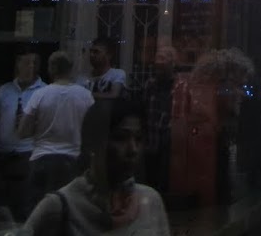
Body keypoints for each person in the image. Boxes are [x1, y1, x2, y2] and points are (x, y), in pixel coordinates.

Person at [22, 99, 170, 236]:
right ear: (93, 143)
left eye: (138, 139)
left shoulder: (150, 201)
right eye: (120, 138)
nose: (133, 149)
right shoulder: (61, 206)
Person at [20, 50, 96, 211]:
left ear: (51, 69)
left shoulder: (39, 95)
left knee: (39, 213)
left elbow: (22, 131)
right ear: (71, 69)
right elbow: (92, 132)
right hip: (73, 161)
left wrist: (39, 126)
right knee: (71, 212)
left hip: (42, 160)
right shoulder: (86, 96)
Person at [0, 50, 45, 218]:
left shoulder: (44, 91)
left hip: (28, 154)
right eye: (26, 63)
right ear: (18, 64)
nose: (30, 67)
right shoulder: (4, 90)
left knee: (25, 202)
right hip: (3, 154)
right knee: (1, 204)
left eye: (34, 63)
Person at [141, 49, 176, 195]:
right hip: (150, 141)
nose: (158, 63)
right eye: (157, 59)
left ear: (172, 64)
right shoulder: (149, 85)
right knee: (150, 182)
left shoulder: (179, 86)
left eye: (163, 59)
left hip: (169, 145)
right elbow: (143, 111)